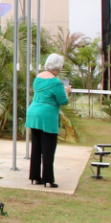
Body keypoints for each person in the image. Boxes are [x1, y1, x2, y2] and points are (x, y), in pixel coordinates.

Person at [25, 53, 72, 188]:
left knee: (36, 147)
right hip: (47, 116)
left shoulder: (38, 77)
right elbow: (63, 101)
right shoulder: (56, 82)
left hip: (34, 113)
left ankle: (34, 177)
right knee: (48, 148)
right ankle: (48, 179)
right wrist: (67, 92)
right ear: (59, 67)